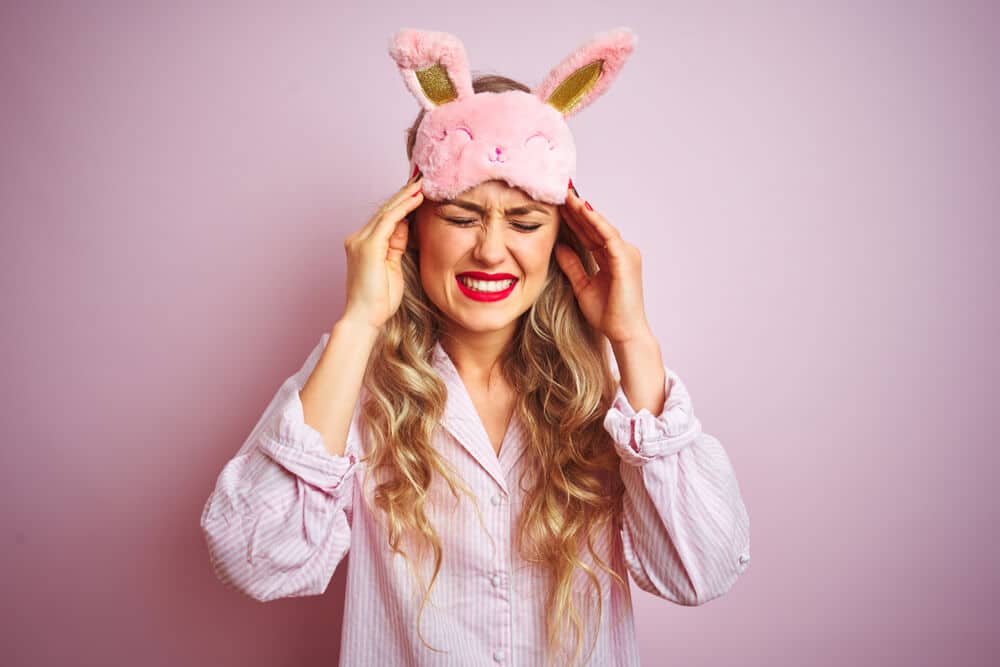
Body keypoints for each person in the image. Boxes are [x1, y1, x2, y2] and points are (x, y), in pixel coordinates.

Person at [200, 27, 751, 667]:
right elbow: (254, 560)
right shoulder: (355, 375)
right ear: (411, 225)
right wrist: (358, 321)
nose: (491, 250)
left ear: (562, 235)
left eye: (524, 222)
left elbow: (701, 573)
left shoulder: (610, 395)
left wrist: (633, 339)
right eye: (462, 217)